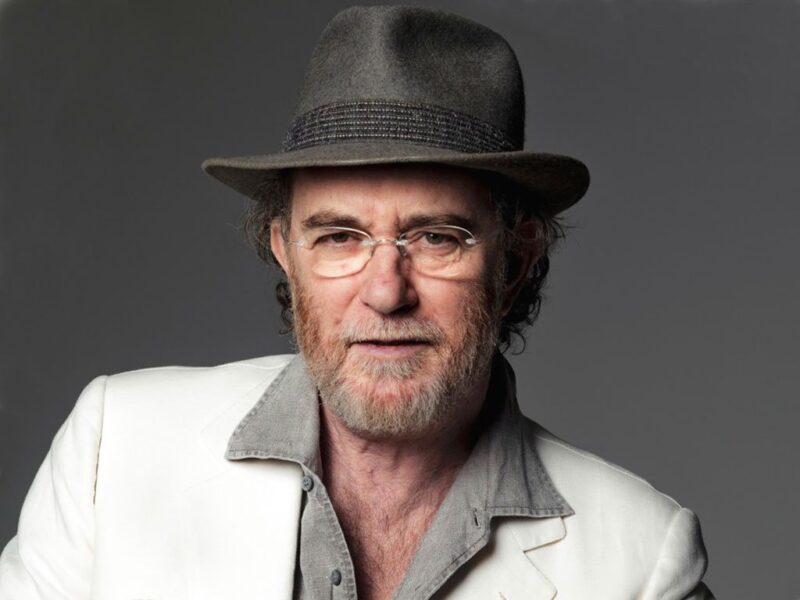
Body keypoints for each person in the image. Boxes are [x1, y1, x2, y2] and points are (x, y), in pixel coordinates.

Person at [0, 6, 713, 600]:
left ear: (516, 260)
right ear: (285, 251)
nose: (385, 291)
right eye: (339, 237)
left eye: (437, 237)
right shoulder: (115, 450)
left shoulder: (641, 561)